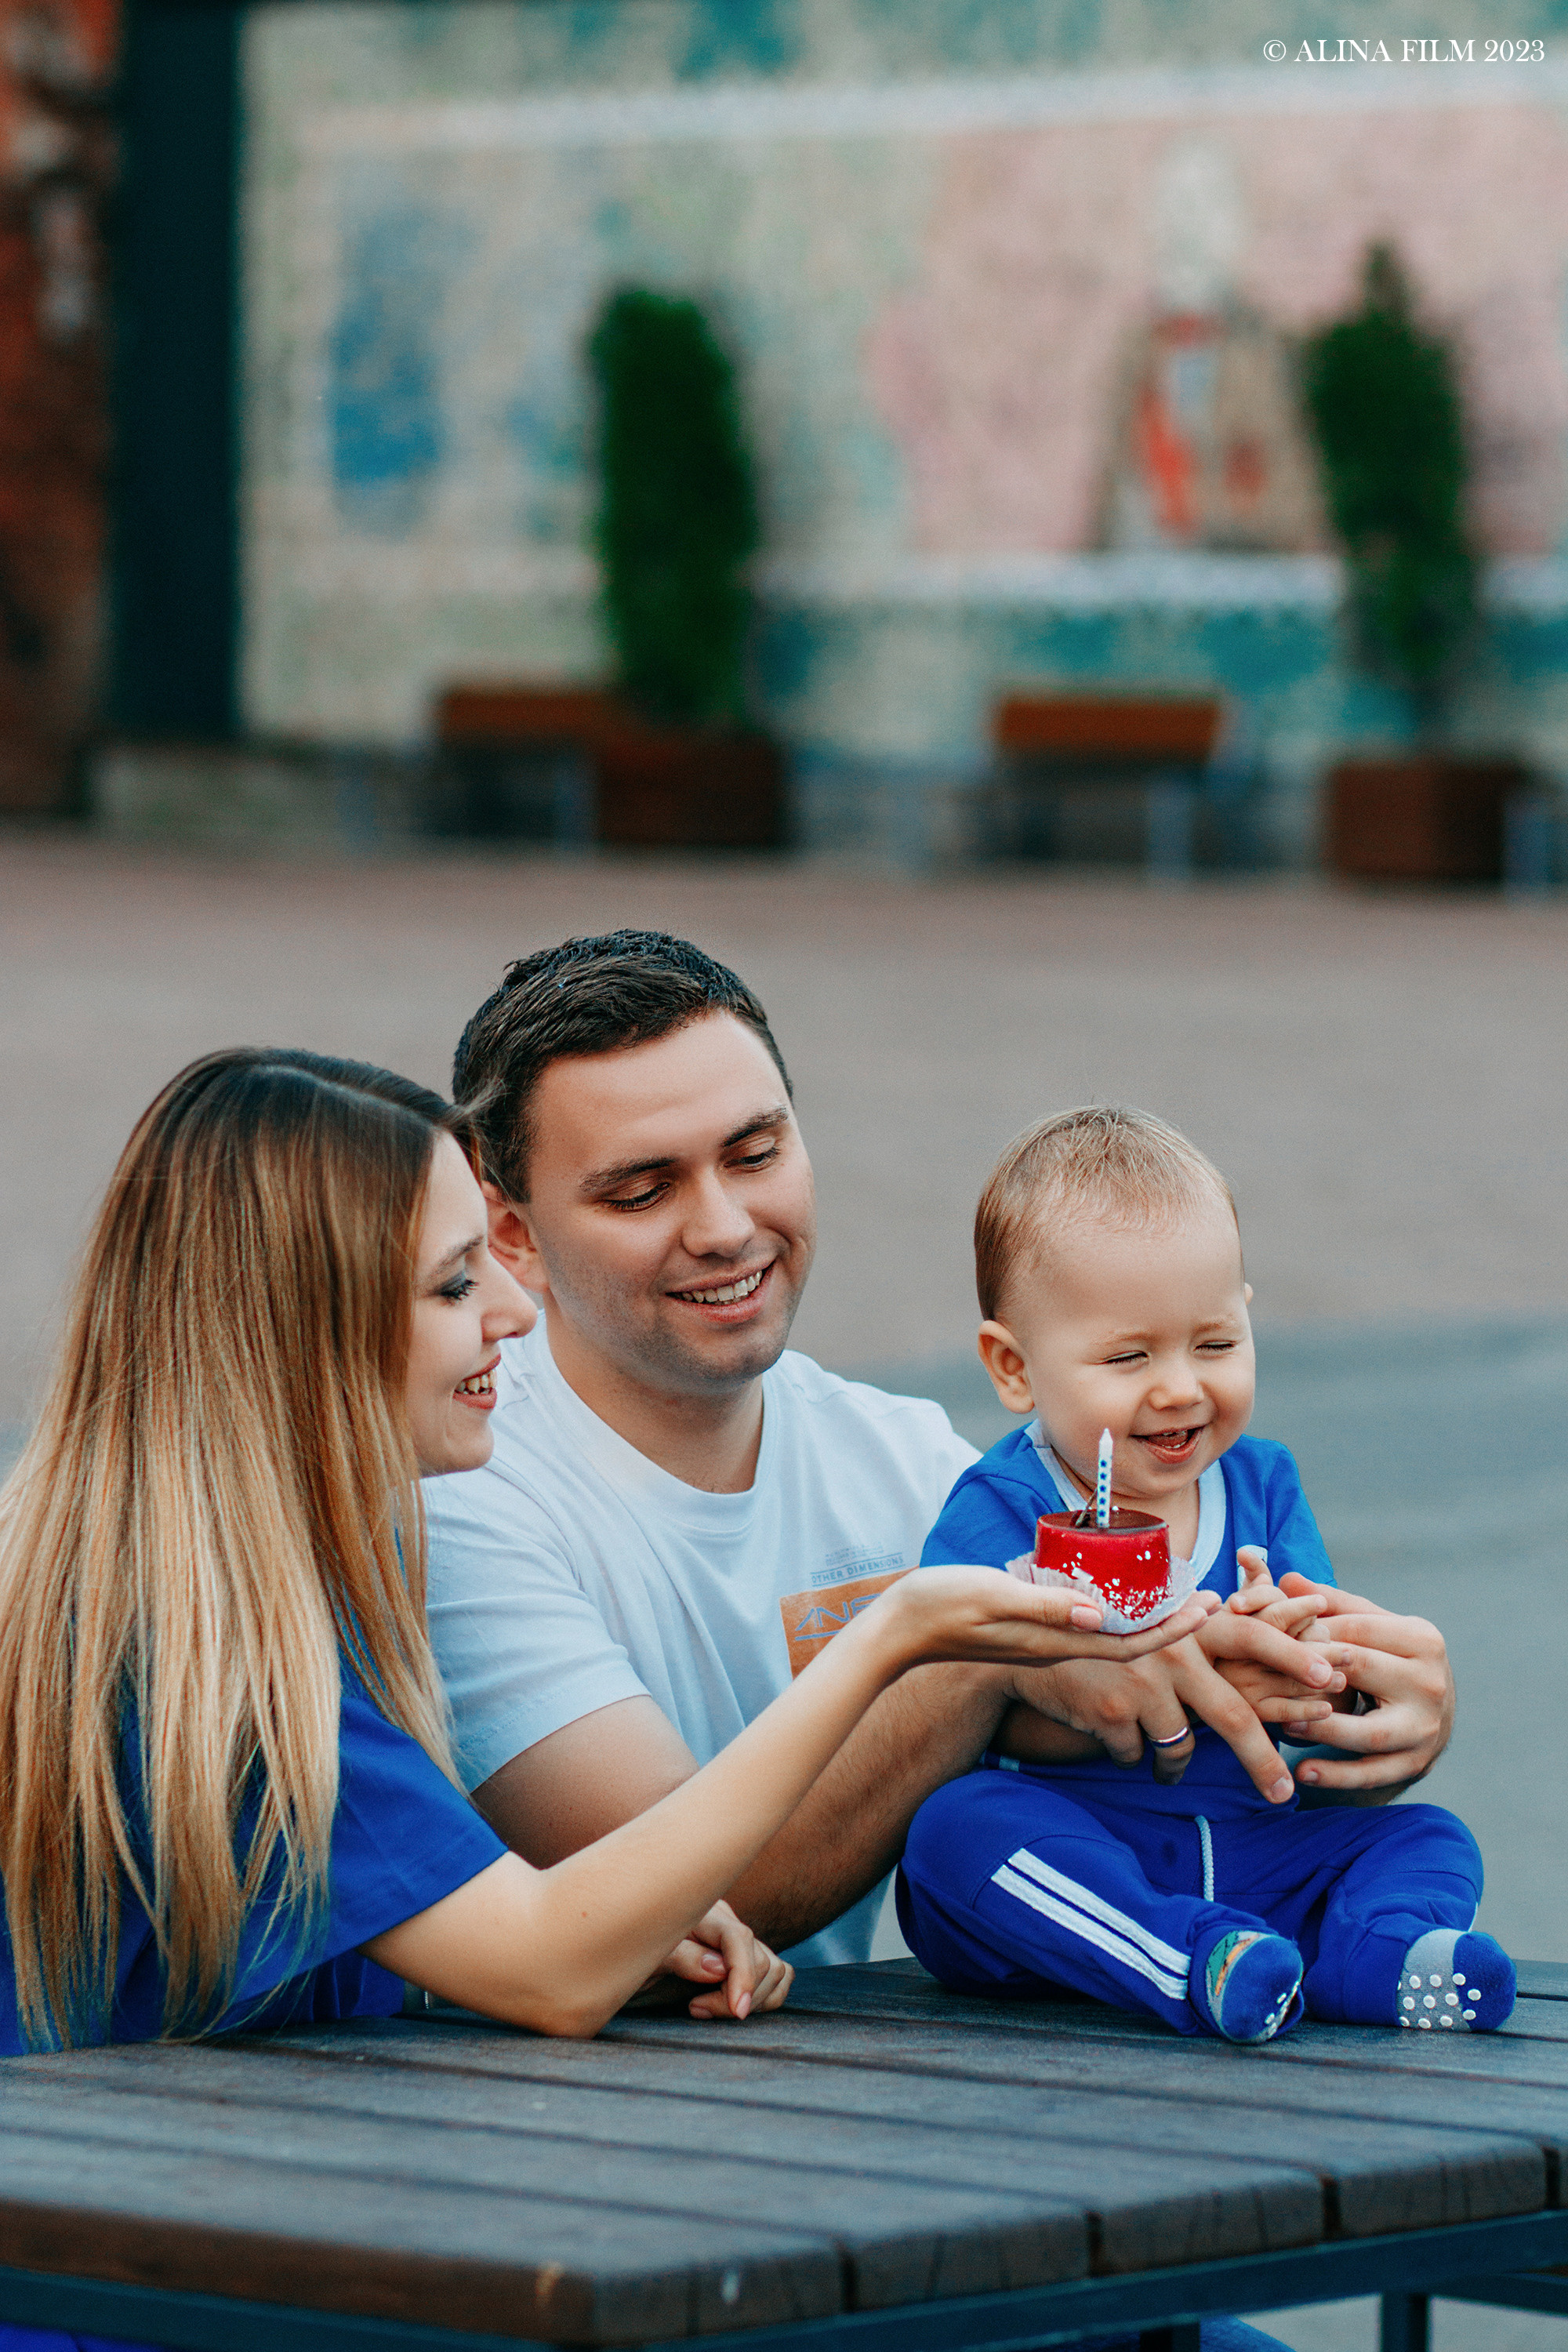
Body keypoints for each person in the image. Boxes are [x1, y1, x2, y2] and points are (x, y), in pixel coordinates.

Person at [0, 1045, 1203, 2069]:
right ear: (308, 1330)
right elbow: (550, 1969)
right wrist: (895, 1639)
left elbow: (488, 1943)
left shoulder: (193, 1600)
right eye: (455, 1282)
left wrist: (622, 1933)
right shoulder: (220, 1656)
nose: (512, 1315)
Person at [424, 932, 1410, 1969]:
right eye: (640, 1190)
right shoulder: (462, 1494)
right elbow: (679, 1913)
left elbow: (1154, 1758)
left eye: (756, 1154)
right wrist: (977, 1658)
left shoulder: (904, 1458)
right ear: (511, 1228)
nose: (723, 1226)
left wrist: (1360, 1709)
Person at [898, 1106, 1513, 2044]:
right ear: (1013, 1368)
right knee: (952, 1834)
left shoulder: (1261, 1482)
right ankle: (1187, 1957)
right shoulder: (997, 1504)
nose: (1180, 1386)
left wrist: (1310, 1664)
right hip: (1090, 1846)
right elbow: (970, 1705)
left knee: (1428, 1838)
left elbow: (1326, 1697)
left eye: (1214, 1343)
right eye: (1127, 1355)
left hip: (1263, 1842)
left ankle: (1374, 1956)